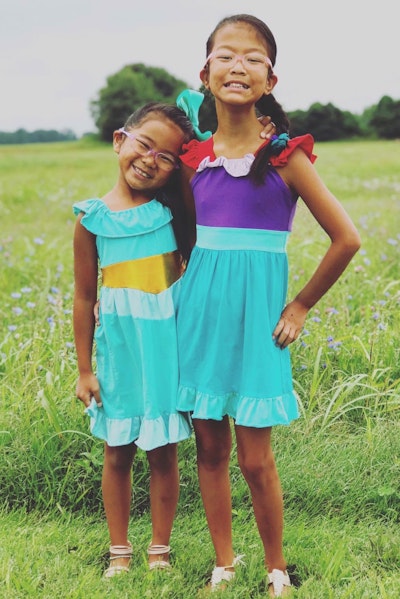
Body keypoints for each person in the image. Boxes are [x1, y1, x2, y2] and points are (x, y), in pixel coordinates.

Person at [175, 14, 361, 597]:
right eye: (226, 56)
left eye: (253, 58)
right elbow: (181, 246)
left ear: (270, 79)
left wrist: (300, 306)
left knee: (256, 459)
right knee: (210, 449)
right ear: (205, 73)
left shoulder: (285, 157)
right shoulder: (192, 160)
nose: (239, 66)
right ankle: (223, 564)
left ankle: (276, 567)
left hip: (259, 327)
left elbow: (347, 238)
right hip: (198, 323)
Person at [73, 102, 196, 578]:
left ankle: (159, 550)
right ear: (119, 140)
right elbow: (84, 298)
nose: (150, 160)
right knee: (117, 449)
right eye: (145, 145)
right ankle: (119, 551)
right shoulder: (91, 219)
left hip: (165, 347)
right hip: (120, 351)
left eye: (167, 157)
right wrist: (85, 370)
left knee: (163, 450)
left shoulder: (171, 212)